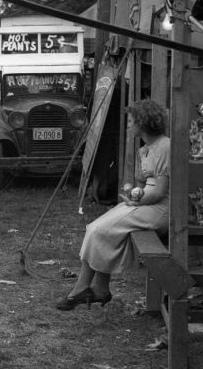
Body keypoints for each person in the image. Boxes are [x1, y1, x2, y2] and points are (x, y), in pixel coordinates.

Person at [56, 99, 169, 311]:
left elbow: (160, 191)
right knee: (94, 228)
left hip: (161, 209)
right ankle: (97, 287)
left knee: (101, 230)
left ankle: (88, 289)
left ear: (143, 123)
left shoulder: (164, 146)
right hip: (146, 203)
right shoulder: (145, 150)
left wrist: (136, 199)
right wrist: (132, 192)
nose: (129, 125)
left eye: (132, 121)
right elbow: (143, 185)